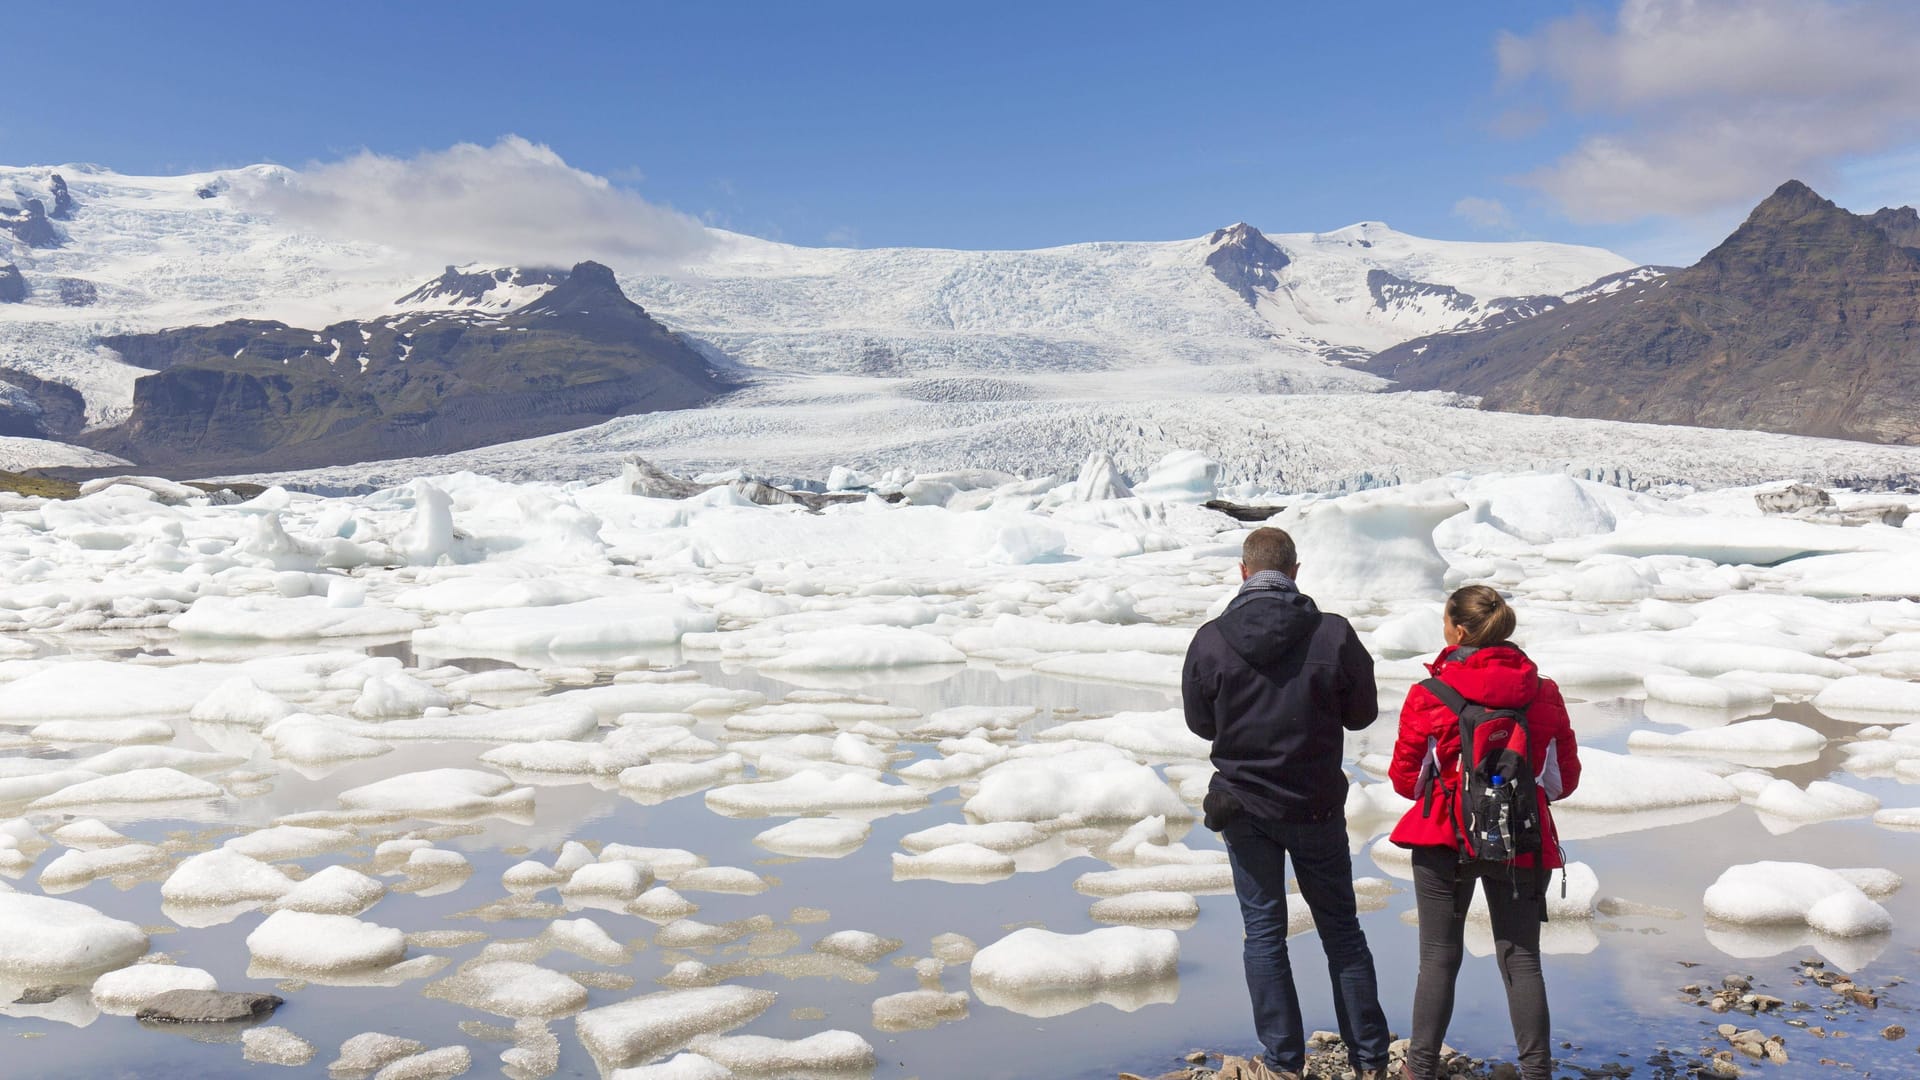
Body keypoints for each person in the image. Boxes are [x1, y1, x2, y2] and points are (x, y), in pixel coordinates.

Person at [1183, 526, 1391, 1080]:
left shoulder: (1211, 639)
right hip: (1316, 805)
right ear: (1295, 573)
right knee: (1341, 932)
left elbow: (1201, 723)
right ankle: (1370, 1061)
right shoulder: (1334, 635)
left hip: (1244, 808)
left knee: (1264, 933)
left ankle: (1283, 1063)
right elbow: (1362, 713)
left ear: (1244, 572)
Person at [1387, 586, 1582, 1080]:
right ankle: (1537, 1072)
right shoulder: (1543, 692)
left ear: (1457, 629)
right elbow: (1562, 781)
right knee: (1521, 960)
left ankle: (1420, 1070)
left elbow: (1407, 781)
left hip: (1443, 836)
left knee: (1437, 957)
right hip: (1518, 836)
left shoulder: (1429, 695)